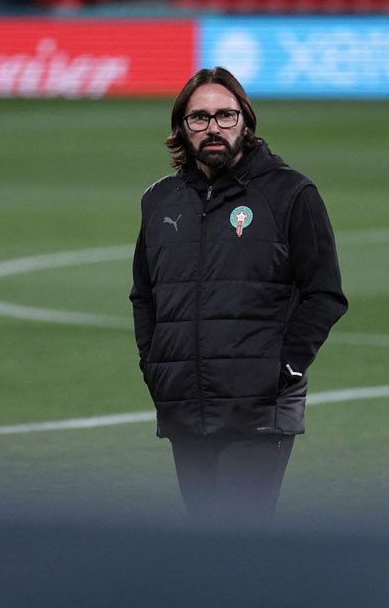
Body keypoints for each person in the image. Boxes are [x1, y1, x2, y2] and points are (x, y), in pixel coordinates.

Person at [129, 67, 348, 525]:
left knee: (240, 543)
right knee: (207, 546)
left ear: (246, 122)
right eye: (199, 118)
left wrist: (283, 368)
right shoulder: (159, 201)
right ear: (181, 128)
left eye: (225, 116)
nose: (213, 128)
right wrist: (155, 367)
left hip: (257, 410)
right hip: (184, 406)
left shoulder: (291, 193)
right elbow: (144, 296)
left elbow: (324, 293)